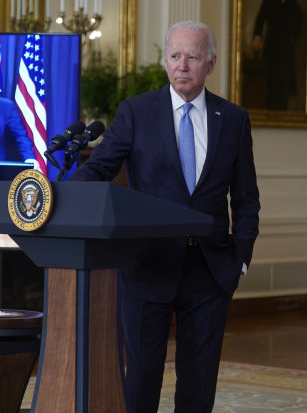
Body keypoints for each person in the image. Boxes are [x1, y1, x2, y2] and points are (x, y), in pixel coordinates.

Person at [69, 21, 260, 413]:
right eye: (175, 56)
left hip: (210, 270)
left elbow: (246, 199)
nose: (182, 65)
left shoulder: (234, 119)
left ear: (210, 62)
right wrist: (62, 195)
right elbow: (99, 169)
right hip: (148, 265)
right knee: (140, 384)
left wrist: (239, 258)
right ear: (165, 61)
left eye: (192, 57)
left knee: (198, 387)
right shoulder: (137, 112)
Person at [251, 0, 303, 110]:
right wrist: (257, 37)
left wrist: (293, 36)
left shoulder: (293, 5)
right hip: (271, 49)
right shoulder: (269, 2)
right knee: (270, 86)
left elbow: (299, 21)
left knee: (284, 87)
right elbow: (260, 20)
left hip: (286, 52)